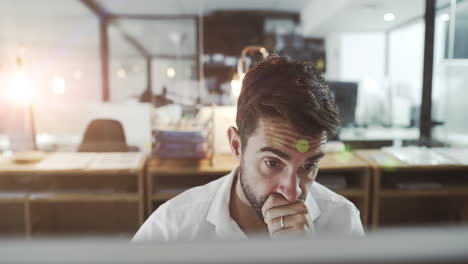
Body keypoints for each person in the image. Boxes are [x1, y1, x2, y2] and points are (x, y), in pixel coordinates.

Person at [133, 55, 364, 241]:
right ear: (236, 145)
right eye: (273, 163)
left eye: (309, 165)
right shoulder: (174, 226)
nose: (292, 192)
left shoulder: (343, 221)